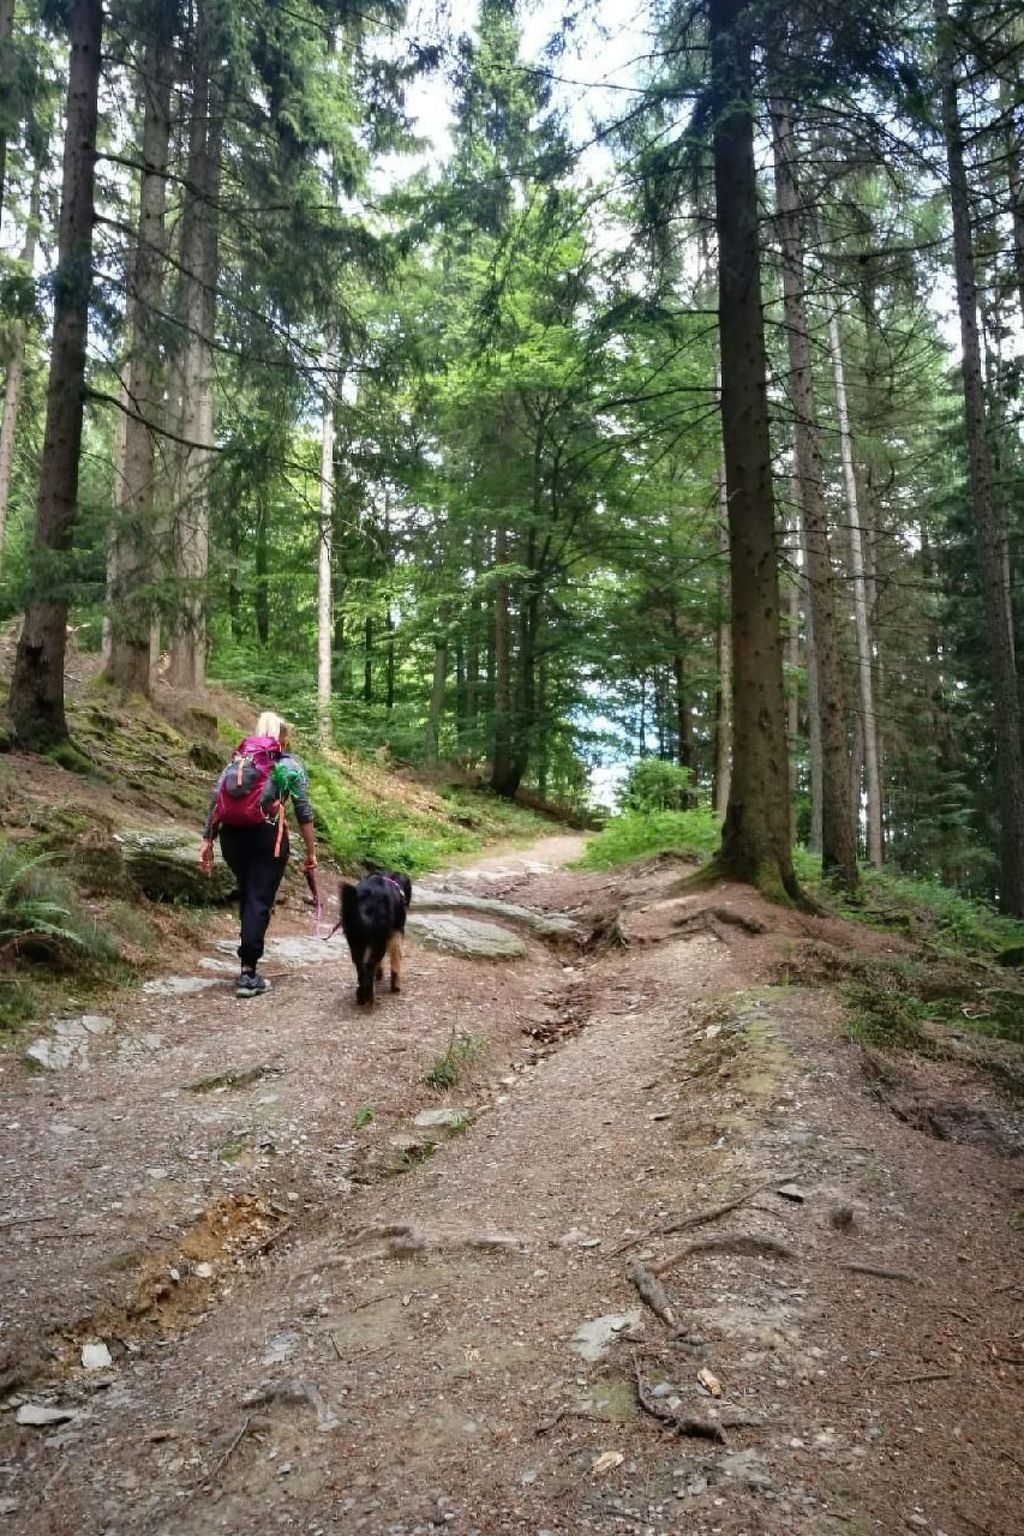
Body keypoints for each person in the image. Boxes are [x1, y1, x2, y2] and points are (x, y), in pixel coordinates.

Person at [199, 711, 317, 998]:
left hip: (231, 839)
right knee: (258, 899)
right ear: (283, 737)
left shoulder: (237, 762)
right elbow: (303, 811)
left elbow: (217, 799)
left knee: (249, 892)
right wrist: (311, 853)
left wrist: (207, 840)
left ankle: (247, 957)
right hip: (267, 838)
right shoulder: (288, 764)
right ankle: (248, 973)